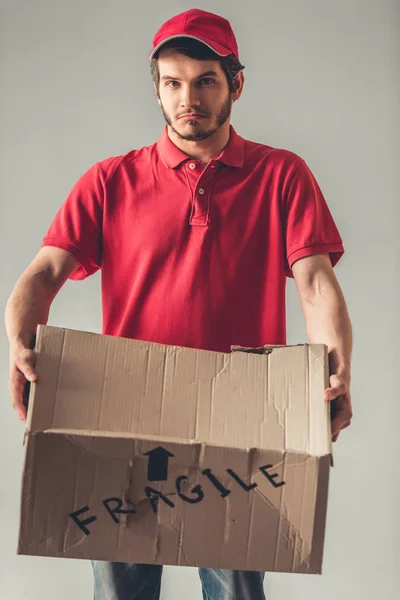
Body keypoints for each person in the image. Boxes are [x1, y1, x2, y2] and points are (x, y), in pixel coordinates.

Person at [5, 8, 353, 600]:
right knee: (120, 593)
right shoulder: (109, 181)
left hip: (242, 412)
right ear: (158, 89)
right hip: (123, 413)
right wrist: (20, 345)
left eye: (205, 80)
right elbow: (42, 273)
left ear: (235, 84)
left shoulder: (282, 175)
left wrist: (339, 371)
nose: (187, 97)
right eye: (172, 82)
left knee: (238, 593)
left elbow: (315, 282)